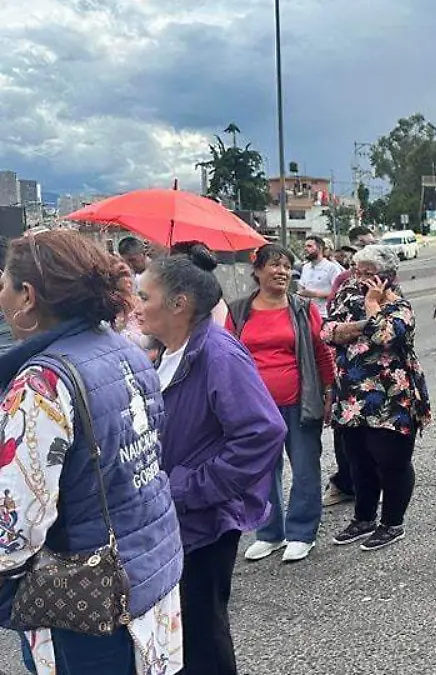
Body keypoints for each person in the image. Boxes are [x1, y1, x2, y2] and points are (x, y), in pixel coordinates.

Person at [0, 230, 184, 675]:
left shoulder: (41, 382)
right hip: (148, 568)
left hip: (83, 596)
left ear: (28, 296)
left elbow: (14, 528)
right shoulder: (124, 349)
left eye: (4, 281)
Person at [138, 246, 286, 675]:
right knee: (183, 632)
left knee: (202, 633)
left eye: (145, 296)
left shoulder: (217, 354)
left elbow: (263, 432)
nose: (136, 305)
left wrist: (190, 486)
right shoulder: (171, 351)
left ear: (179, 304)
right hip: (178, 515)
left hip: (205, 519)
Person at [227, 243, 335, 564]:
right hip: (255, 408)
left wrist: (329, 390)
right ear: (257, 270)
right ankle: (269, 533)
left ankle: (302, 533)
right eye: (274, 264)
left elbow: (321, 351)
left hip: (299, 402)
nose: (282, 271)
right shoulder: (239, 311)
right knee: (261, 471)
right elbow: (226, 356)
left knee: (304, 468)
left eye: (287, 266)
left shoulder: (302, 308)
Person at [322, 245, 431, 552]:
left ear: (387, 276)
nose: (360, 278)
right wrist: (361, 325)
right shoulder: (346, 296)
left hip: (391, 396)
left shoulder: (399, 305)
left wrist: (371, 304)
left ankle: (392, 523)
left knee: (391, 461)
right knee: (358, 460)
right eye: (357, 271)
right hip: (352, 395)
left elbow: (384, 336)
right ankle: (364, 518)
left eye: (368, 273)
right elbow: (327, 332)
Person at [323, 227, 378, 507]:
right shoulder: (343, 281)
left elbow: (390, 330)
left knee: (376, 436)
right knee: (346, 433)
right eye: (359, 249)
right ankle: (345, 483)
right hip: (348, 373)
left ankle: (371, 488)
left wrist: (351, 330)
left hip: (381, 377)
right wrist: (362, 327)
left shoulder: (388, 285)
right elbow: (329, 328)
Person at [298, 236, 345, 318]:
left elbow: (339, 292)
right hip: (306, 313)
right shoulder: (305, 267)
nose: (305, 249)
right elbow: (301, 286)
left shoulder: (332, 268)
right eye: (305, 246)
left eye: (309, 246)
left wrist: (314, 294)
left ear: (319, 248)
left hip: (324, 314)